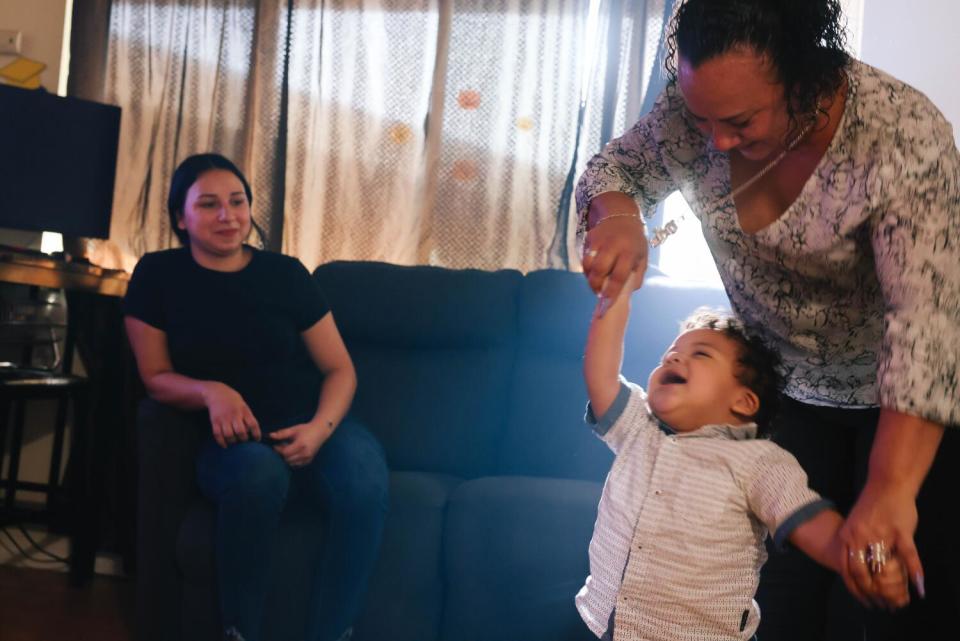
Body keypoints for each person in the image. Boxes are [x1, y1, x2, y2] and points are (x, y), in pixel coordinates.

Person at [575, 1, 958, 639]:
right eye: (702, 120)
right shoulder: (685, 118)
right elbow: (613, 172)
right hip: (787, 392)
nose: (717, 142)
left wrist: (890, 488)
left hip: (899, 401)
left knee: (896, 599)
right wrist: (615, 220)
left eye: (740, 121)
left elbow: (925, 326)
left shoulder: (899, 135)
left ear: (804, 77)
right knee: (784, 601)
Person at [123, 153, 389, 641]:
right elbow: (155, 375)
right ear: (180, 217)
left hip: (315, 424)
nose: (228, 216)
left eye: (237, 202)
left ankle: (335, 632)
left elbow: (339, 369)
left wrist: (320, 429)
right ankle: (238, 631)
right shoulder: (158, 275)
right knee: (259, 476)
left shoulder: (285, 275)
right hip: (231, 441)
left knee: (365, 481)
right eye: (208, 205)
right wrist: (210, 391)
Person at [578, 285, 909, 641]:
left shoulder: (758, 461)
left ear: (744, 401)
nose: (672, 359)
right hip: (603, 624)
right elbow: (600, 375)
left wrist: (859, 559)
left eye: (700, 355)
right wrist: (616, 296)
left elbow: (806, 520)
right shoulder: (638, 428)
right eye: (668, 355)